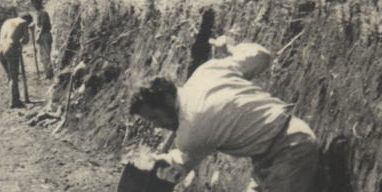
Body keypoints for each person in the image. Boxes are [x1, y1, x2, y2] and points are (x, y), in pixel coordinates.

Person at [129, 43, 319, 192]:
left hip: (289, 151)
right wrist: (231, 48)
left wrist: (161, 163)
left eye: (155, 117)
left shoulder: (191, 130)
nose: (158, 125)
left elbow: (183, 163)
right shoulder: (205, 73)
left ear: (168, 98)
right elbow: (262, 56)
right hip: (281, 144)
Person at [0, 13, 33, 108]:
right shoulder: (24, 22)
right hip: (11, 49)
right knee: (14, 77)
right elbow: (26, 40)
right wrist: (21, 41)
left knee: (10, 76)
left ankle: (14, 99)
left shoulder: (7, 21)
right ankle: (14, 102)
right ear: (28, 20)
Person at [31, 0, 53, 79]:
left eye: (34, 4)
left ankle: (49, 74)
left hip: (45, 35)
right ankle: (47, 73)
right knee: (43, 55)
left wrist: (38, 36)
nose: (33, 6)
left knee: (46, 55)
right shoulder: (40, 13)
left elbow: (43, 26)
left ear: (38, 3)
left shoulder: (43, 13)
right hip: (43, 35)